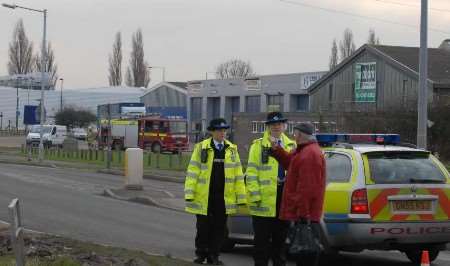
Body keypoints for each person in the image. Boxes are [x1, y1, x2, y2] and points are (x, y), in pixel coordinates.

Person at [185, 118, 246, 265]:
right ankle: (201, 254)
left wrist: (241, 197)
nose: (222, 133)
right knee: (203, 227)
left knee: (219, 229)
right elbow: (193, 171)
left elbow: (238, 174)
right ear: (212, 132)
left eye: (224, 130)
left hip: (224, 197)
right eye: (219, 130)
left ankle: (214, 256)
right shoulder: (201, 148)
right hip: (205, 195)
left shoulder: (232, 149)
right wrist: (189, 193)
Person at [270, 122, 326, 266]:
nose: (293, 136)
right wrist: (277, 149)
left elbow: (307, 188)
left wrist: (303, 215)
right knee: (302, 255)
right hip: (304, 215)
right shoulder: (303, 150)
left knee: (305, 256)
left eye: (294, 133)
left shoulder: (309, 154)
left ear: (300, 135)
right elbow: (290, 163)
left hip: (305, 216)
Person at [246, 112, 296, 266]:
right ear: (267, 127)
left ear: (284, 126)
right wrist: (255, 196)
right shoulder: (257, 146)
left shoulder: (292, 146)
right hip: (263, 201)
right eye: (273, 125)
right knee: (261, 242)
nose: (276, 127)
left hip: (283, 199)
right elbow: (251, 173)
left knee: (280, 242)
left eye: (279, 124)